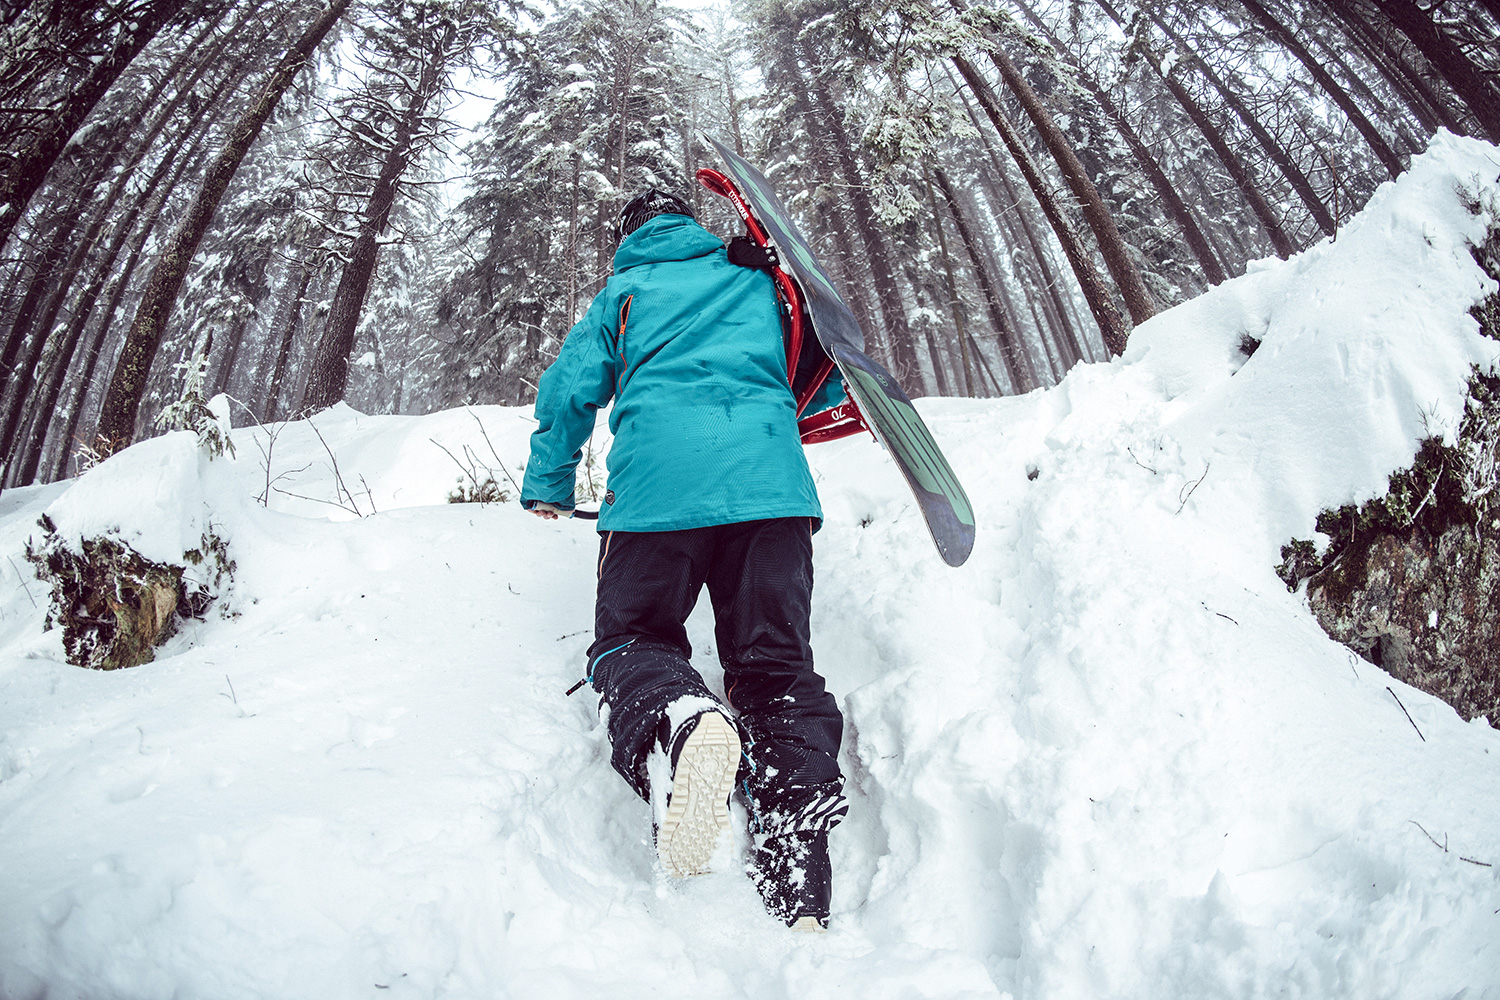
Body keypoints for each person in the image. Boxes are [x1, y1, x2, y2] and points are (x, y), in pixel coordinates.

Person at [520, 187, 847, 931]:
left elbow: (571, 387)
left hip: (656, 498)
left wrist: (548, 482)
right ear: (688, 224)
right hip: (771, 491)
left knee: (631, 638)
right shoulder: (758, 276)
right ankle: (797, 852)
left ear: (627, 236)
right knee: (775, 666)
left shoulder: (625, 291)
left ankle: (680, 722)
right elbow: (814, 371)